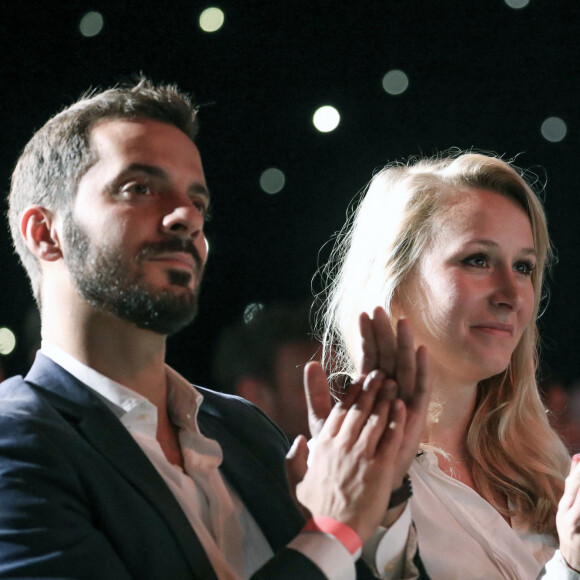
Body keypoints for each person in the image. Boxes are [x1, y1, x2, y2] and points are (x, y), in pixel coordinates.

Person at [0, 78, 430, 580]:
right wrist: (335, 531)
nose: (187, 217)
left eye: (197, 202)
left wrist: (381, 492)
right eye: (139, 188)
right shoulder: (18, 443)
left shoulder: (243, 430)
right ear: (44, 233)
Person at [316, 152, 579, 578]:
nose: (511, 294)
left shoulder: (547, 472)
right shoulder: (349, 483)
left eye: (524, 267)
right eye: (478, 260)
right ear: (394, 281)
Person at [213, 302, 319, 440]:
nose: (338, 395)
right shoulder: (211, 459)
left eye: (342, 379)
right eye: (309, 382)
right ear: (254, 396)